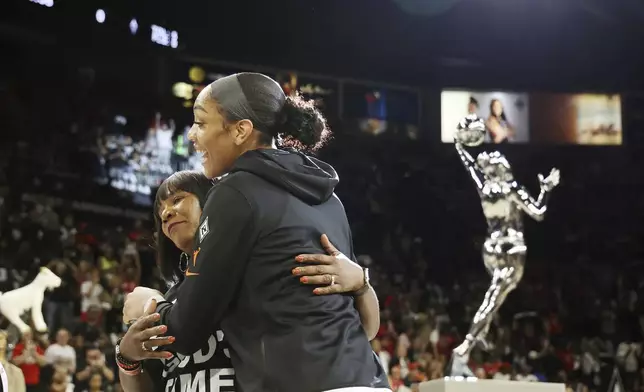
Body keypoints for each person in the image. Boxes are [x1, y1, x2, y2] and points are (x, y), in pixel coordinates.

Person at [124, 72, 389, 392]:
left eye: (202, 123)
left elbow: (186, 330)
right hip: (366, 380)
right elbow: (366, 325)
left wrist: (151, 304)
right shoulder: (328, 197)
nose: (193, 135)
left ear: (240, 130)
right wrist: (362, 283)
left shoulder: (235, 192)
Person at [118, 170, 384, 392]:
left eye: (177, 200)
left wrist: (362, 282)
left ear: (212, 203)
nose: (166, 214)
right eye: (161, 211)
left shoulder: (257, 268)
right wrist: (127, 358)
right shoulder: (168, 299)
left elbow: (366, 331)